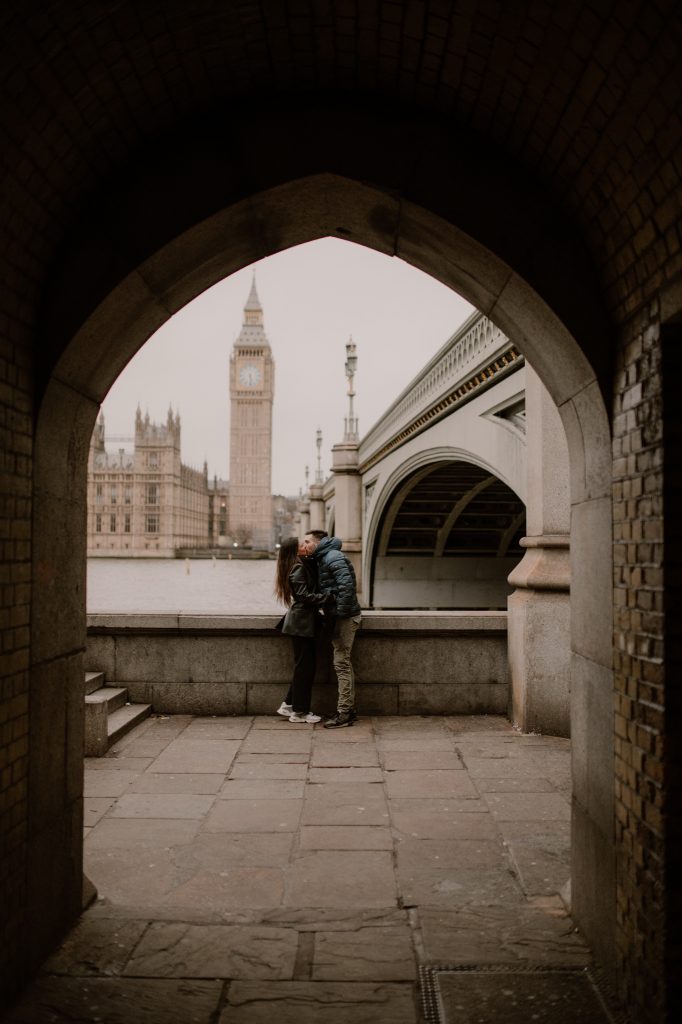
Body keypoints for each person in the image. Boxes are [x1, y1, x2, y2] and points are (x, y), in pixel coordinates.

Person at [303, 530, 361, 728]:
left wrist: (338, 615)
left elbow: (347, 587)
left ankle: (344, 713)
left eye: (308, 541)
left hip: (344, 618)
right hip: (339, 616)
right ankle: (347, 708)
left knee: (341, 663)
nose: (305, 545)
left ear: (319, 542)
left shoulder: (332, 557)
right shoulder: (324, 557)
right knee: (344, 663)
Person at [273, 536, 334, 723]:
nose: (304, 545)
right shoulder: (297, 567)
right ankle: (300, 713)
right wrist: (327, 597)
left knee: (304, 667)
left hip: (300, 622)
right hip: (301, 623)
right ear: (294, 551)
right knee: (305, 669)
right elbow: (303, 596)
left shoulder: (296, 565)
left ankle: (289, 705)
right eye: (300, 544)